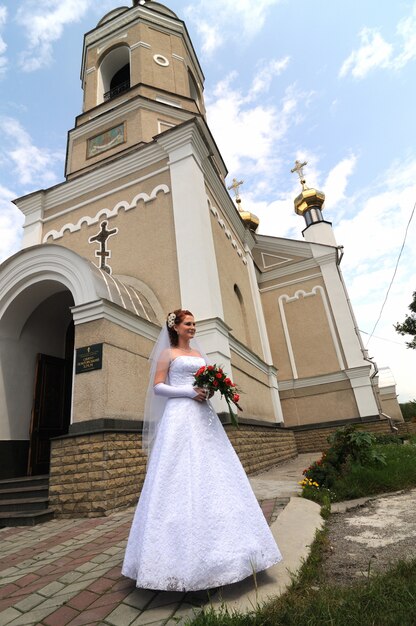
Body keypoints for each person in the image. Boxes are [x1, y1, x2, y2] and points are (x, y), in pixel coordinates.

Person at [122, 309, 282, 591]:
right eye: (188, 324)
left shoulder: (198, 355)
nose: (193, 328)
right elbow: (158, 387)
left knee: (216, 473)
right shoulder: (168, 354)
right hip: (179, 417)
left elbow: (205, 382)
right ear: (176, 327)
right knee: (178, 475)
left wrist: (208, 390)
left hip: (203, 416)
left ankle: (237, 553)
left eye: (194, 324)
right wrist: (188, 392)